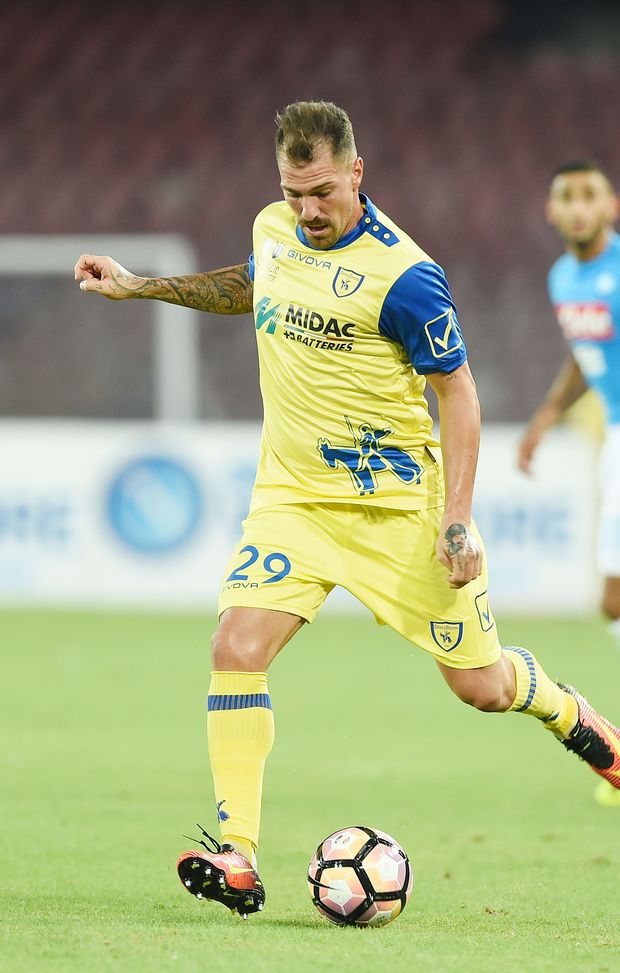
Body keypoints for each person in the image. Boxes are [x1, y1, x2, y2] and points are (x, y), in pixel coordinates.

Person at [75, 104, 620, 918]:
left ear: (356, 173)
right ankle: (238, 855)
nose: (307, 210)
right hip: (293, 501)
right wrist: (140, 285)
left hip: (396, 513)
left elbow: (458, 393)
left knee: (481, 684)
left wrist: (457, 517)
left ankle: (581, 723)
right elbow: (255, 282)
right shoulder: (275, 230)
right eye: (293, 192)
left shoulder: (406, 276)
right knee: (235, 646)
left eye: (323, 191)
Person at [517, 160, 620, 808]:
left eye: (590, 195)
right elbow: (589, 356)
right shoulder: (564, 278)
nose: (579, 206)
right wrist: (548, 413)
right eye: (567, 197)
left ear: (611, 205)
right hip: (615, 434)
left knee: (613, 599)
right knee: (612, 602)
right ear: (551, 211)